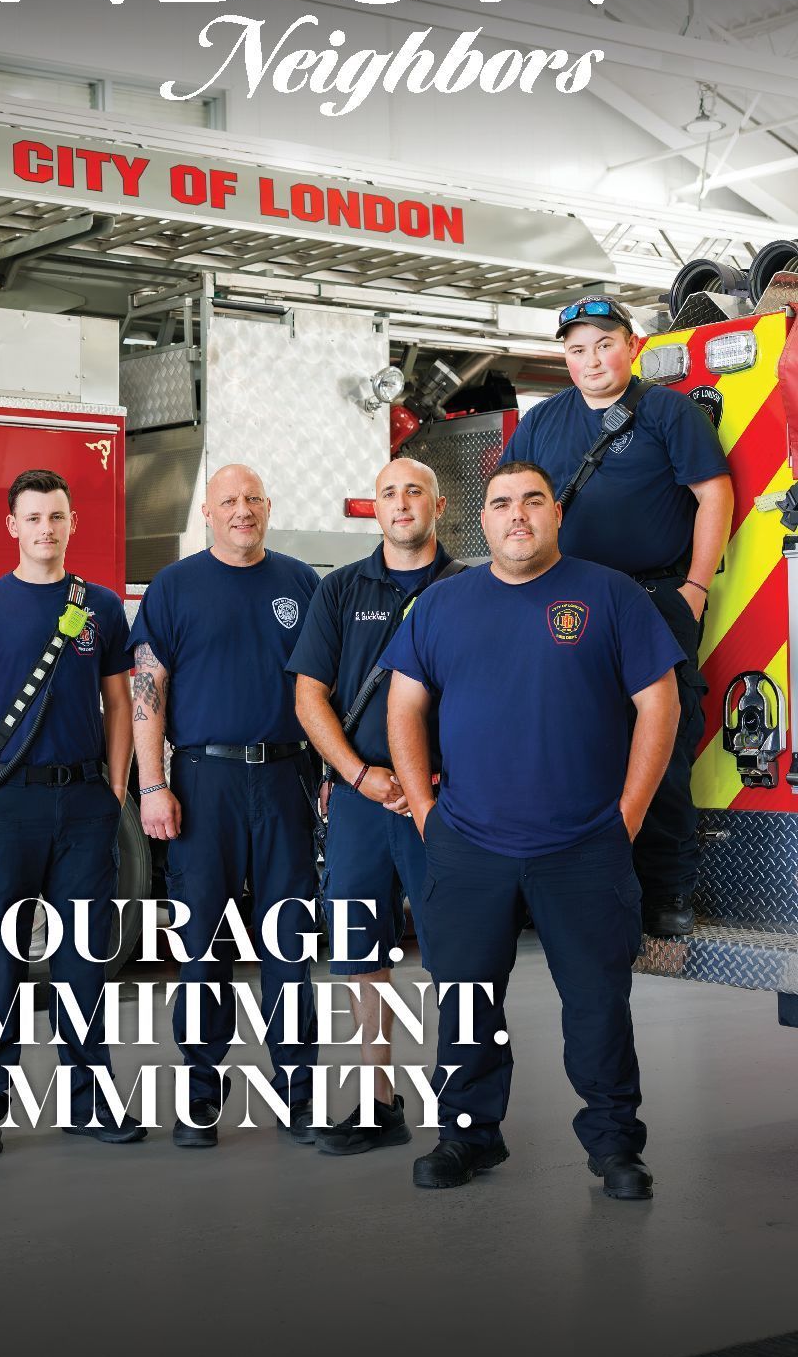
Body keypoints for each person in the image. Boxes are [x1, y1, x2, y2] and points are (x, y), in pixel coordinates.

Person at [384, 461, 683, 1201]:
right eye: (501, 504)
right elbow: (403, 709)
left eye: (532, 501)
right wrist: (426, 811)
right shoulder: (442, 605)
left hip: (584, 846)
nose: (517, 515)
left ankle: (615, 1147)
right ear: (479, 522)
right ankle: (466, 1136)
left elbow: (660, 703)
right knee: (465, 1003)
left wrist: (629, 814)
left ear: (555, 514)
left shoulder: (610, 595)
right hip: (470, 845)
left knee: (597, 1007)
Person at [500, 295, 733, 936]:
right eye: (577, 349)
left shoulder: (666, 412)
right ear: (564, 359)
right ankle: (580, 893)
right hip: (565, 605)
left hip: (654, 600)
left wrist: (693, 587)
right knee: (571, 745)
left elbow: (715, 493)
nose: (592, 359)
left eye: (604, 343)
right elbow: (510, 505)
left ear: (632, 345)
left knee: (664, 749)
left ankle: (666, 893)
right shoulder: (542, 423)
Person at [0, 467, 145, 1151]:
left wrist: (115, 787)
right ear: (12, 525)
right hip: (8, 805)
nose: (45, 529)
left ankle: (89, 1100)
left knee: (83, 961)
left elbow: (119, 702)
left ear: (72, 523)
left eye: (56, 517)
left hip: (85, 804)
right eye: (32, 518)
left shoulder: (102, 609)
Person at [129, 463, 321, 1148]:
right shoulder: (176, 587)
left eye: (253, 499)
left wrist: (327, 768)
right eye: (229, 500)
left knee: (288, 947)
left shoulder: (302, 583)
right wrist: (152, 785)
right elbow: (146, 688)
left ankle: (299, 1095)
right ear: (206, 511)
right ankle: (200, 1096)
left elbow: (319, 687)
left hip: (284, 780)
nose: (242, 509)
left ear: (268, 508)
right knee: (201, 949)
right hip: (202, 785)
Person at [290, 457, 459, 1156]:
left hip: (446, 801)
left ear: (439, 506)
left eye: (414, 490)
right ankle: (379, 1101)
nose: (401, 502)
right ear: (376, 508)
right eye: (389, 492)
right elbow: (309, 696)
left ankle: (466, 1111)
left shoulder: (469, 590)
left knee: (459, 951)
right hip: (364, 800)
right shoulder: (338, 591)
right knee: (363, 950)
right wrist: (357, 775)